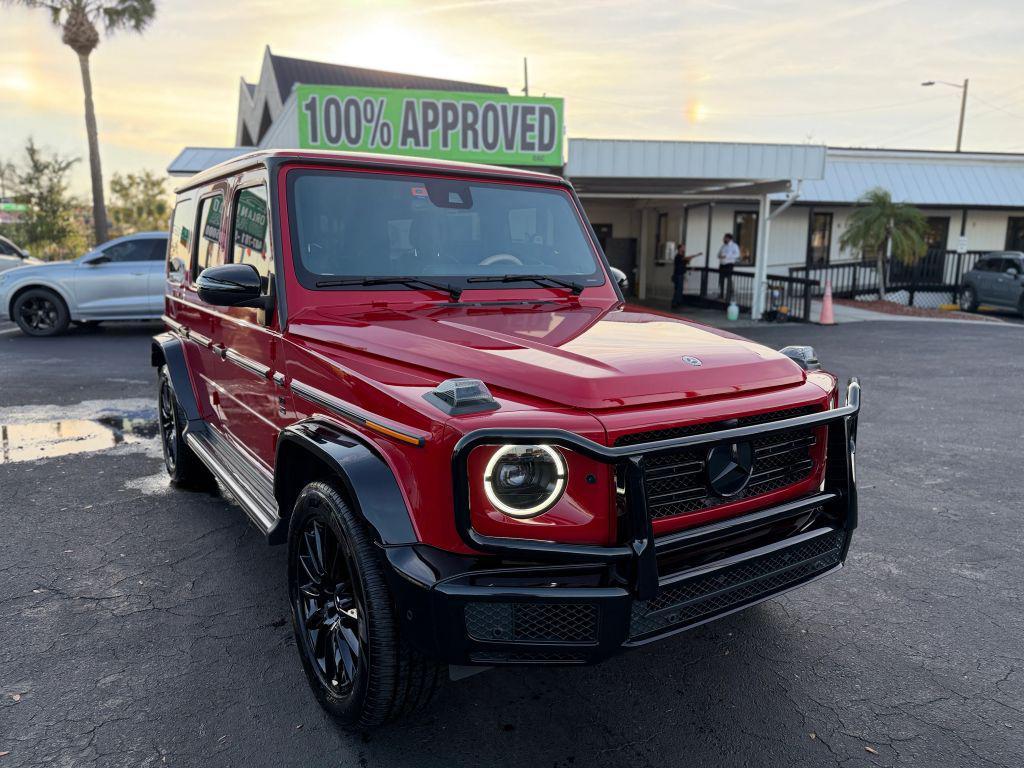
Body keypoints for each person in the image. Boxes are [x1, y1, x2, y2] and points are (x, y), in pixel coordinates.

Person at [671, 243, 701, 309]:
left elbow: (686, 262)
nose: (684, 248)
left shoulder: (681, 256)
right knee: (678, 289)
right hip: (678, 275)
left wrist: (690, 259)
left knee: (679, 289)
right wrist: (695, 255)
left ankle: (678, 302)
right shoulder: (678, 256)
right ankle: (675, 303)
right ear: (679, 248)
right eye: (683, 247)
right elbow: (685, 259)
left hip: (681, 274)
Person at [717, 233, 741, 301]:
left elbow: (737, 255)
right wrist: (719, 256)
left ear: (729, 238)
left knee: (729, 279)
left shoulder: (734, 246)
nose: (724, 239)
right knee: (721, 279)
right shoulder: (723, 246)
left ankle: (729, 294)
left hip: (729, 264)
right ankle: (721, 294)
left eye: (725, 238)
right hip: (722, 264)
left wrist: (727, 256)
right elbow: (718, 254)